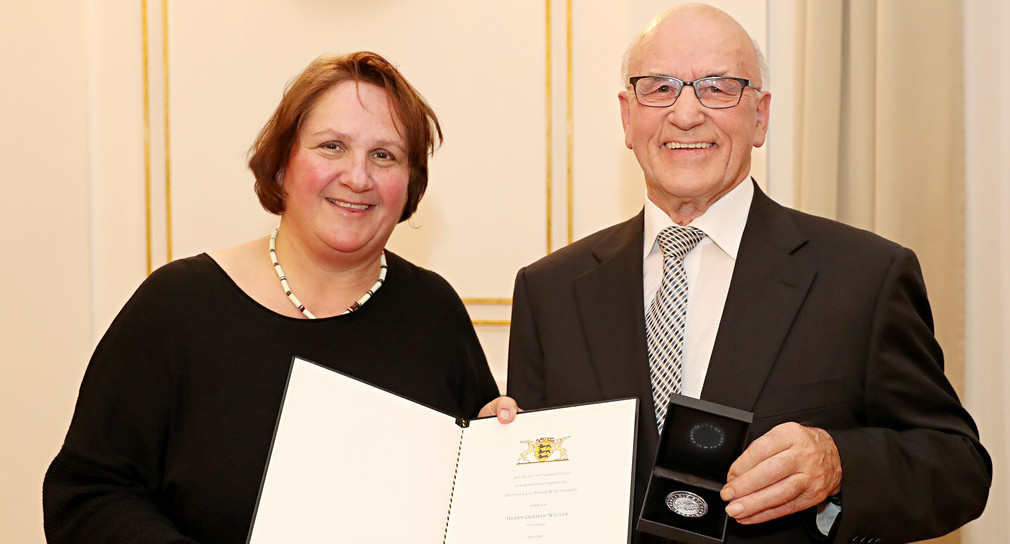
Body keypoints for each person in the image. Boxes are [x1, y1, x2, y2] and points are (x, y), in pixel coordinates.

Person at [506, 4, 990, 543]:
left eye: (717, 87)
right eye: (660, 87)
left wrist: (837, 463)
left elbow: (958, 468)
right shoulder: (548, 291)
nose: (686, 113)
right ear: (627, 116)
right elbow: (538, 486)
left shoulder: (864, 276)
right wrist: (499, 459)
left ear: (759, 117)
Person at [43, 51, 515, 543]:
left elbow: (466, 508)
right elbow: (87, 496)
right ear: (282, 166)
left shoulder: (433, 313)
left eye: (384, 155)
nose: (358, 177)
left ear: (410, 184)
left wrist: (496, 456)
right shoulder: (177, 307)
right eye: (332, 146)